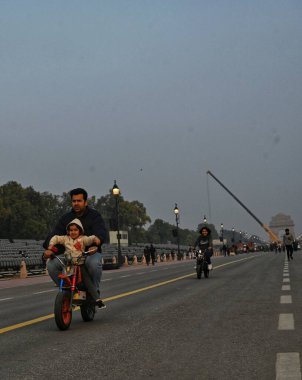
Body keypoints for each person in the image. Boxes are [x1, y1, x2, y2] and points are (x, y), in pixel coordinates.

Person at [43, 188, 107, 307]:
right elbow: (55, 234)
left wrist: (97, 242)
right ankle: (67, 292)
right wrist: (49, 248)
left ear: (85, 202)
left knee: (93, 264)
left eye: (79, 200)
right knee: (51, 264)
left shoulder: (94, 216)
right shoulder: (66, 218)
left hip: (89, 253)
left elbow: (100, 232)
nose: (76, 203)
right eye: (74, 201)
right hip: (69, 255)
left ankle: (94, 292)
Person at [47, 218, 105, 308]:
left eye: (75, 230)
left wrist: (95, 239)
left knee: (87, 280)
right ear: (68, 231)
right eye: (71, 230)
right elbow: (56, 238)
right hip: (68, 264)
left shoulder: (83, 239)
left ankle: (97, 299)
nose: (73, 232)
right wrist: (51, 244)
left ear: (80, 231)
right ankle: (66, 294)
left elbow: (90, 239)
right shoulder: (65, 238)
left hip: (79, 264)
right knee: (63, 276)